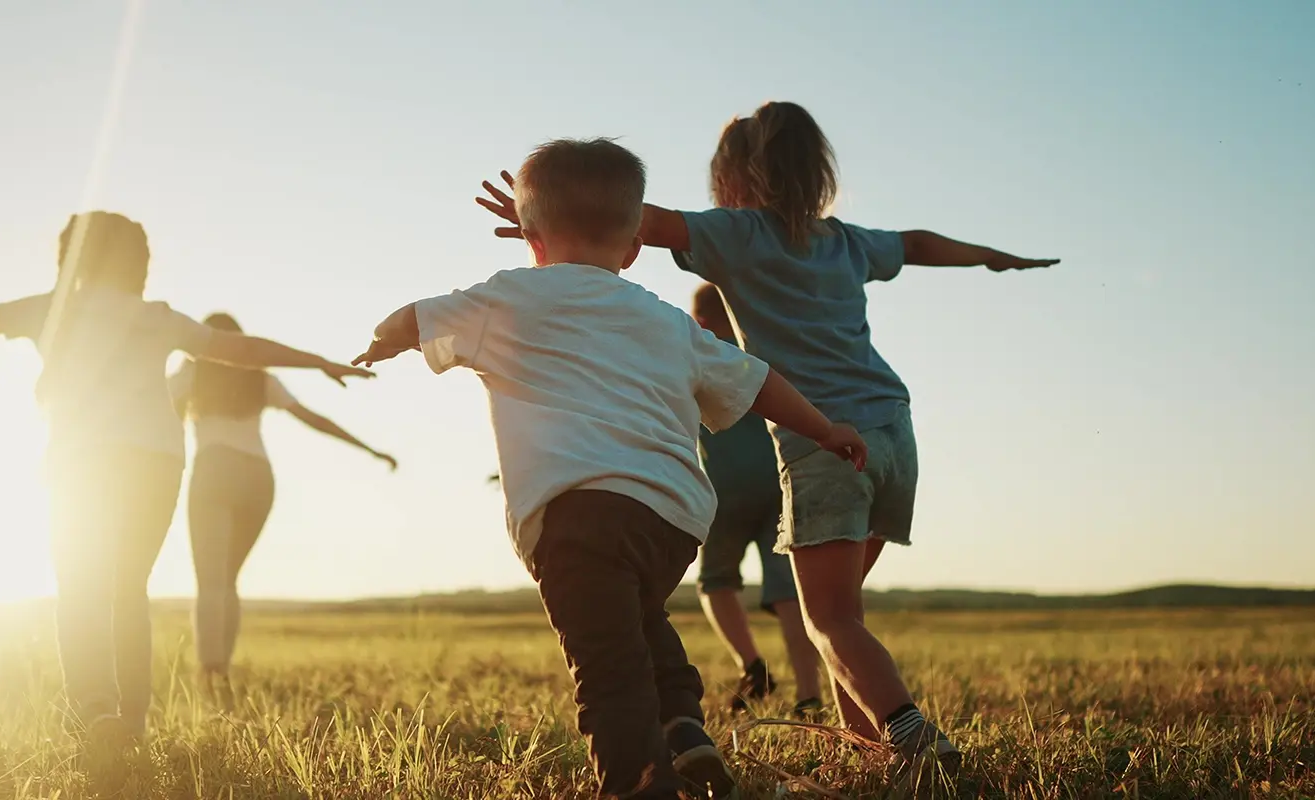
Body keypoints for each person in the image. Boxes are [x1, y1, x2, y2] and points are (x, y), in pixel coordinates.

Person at [477, 102, 1057, 780]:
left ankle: (911, 735)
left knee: (829, 621)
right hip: (893, 434)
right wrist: (990, 258)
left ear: (733, 178)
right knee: (843, 614)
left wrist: (544, 217)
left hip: (824, 443)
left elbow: (631, 219)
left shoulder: (738, 233)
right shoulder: (845, 241)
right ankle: (864, 750)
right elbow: (919, 242)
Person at [357, 138, 867, 800]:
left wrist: (381, 342)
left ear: (532, 240)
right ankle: (684, 729)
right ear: (632, 248)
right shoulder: (666, 321)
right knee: (637, 621)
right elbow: (758, 381)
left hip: (576, 515)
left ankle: (636, 781)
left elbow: (412, 319)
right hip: (671, 519)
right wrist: (825, 429)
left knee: (607, 668)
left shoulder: (506, 298)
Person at [0, 211, 371, 774]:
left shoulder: (52, 309)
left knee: (81, 586)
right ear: (140, 265)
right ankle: (133, 724)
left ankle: (97, 713)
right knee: (129, 589)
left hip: (85, 459)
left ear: (73, 257)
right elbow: (239, 350)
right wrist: (316, 361)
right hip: (157, 460)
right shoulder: (157, 317)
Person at [169, 311, 397, 706]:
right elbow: (313, 419)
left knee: (211, 582)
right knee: (228, 581)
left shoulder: (190, 374)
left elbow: (154, 414)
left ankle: (210, 674)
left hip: (214, 470)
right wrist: (370, 450)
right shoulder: (260, 378)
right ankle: (221, 673)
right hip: (258, 478)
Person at [687, 282, 824, 718]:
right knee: (789, 592)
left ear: (701, 320)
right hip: (780, 483)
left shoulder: (698, 355)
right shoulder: (764, 352)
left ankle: (752, 665)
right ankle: (809, 694)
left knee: (716, 581)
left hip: (724, 489)